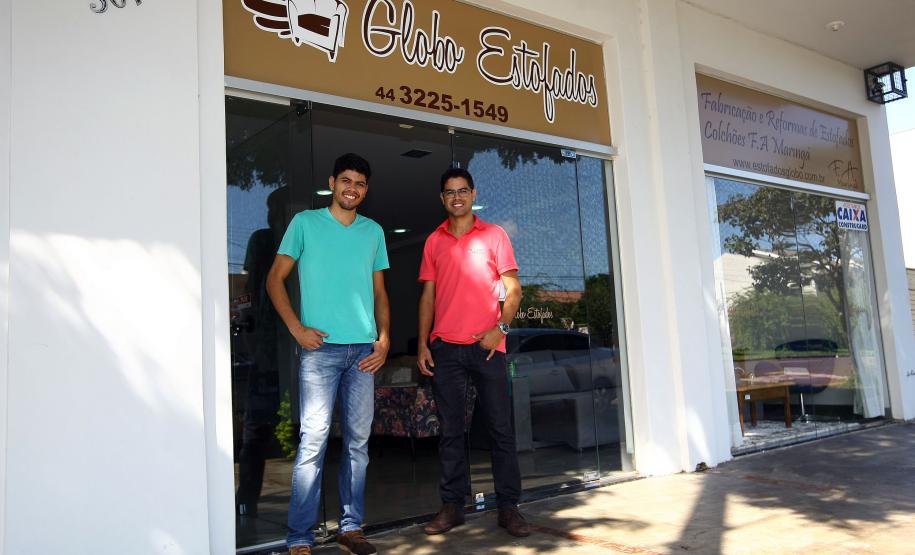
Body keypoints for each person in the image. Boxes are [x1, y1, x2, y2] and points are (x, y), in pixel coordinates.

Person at [266, 153, 390, 555]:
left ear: (365, 190)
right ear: (333, 182)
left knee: (358, 443)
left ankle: (351, 528)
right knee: (313, 440)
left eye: (360, 184)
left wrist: (385, 338)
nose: (352, 189)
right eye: (346, 181)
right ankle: (300, 536)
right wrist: (295, 328)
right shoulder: (305, 224)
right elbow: (274, 279)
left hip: (363, 353)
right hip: (320, 351)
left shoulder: (373, 232)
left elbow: (379, 292)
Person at [417, 167, 530, 538]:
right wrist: (423, 343)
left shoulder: (495, 236)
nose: (456, 197)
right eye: (449, 192)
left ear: (473, 193)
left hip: (488, 349)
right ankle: (452, 507)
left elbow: (513, 290)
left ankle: (509, 508)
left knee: (500, 430)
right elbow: (428, 297)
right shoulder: (434, 240)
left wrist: (499, 329)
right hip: (446, 349)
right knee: (451, 432)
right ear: (442, 199)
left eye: (462, 190)